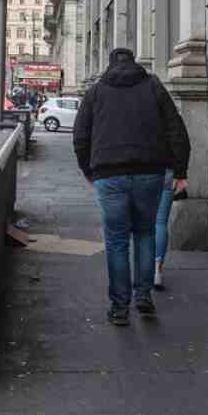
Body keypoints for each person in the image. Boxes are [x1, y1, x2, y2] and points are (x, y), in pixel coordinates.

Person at [72, 47, 190, 325]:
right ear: (134, 62)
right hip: (150, 172)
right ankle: (144, 297)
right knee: (146, 233)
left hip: (108, 175)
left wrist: (88, 170)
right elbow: (176, 129)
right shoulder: (153, 87)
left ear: (109, 64)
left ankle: (120, 308)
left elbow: (80, 136)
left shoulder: (96, 92)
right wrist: (180, 170)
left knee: (116, 241)